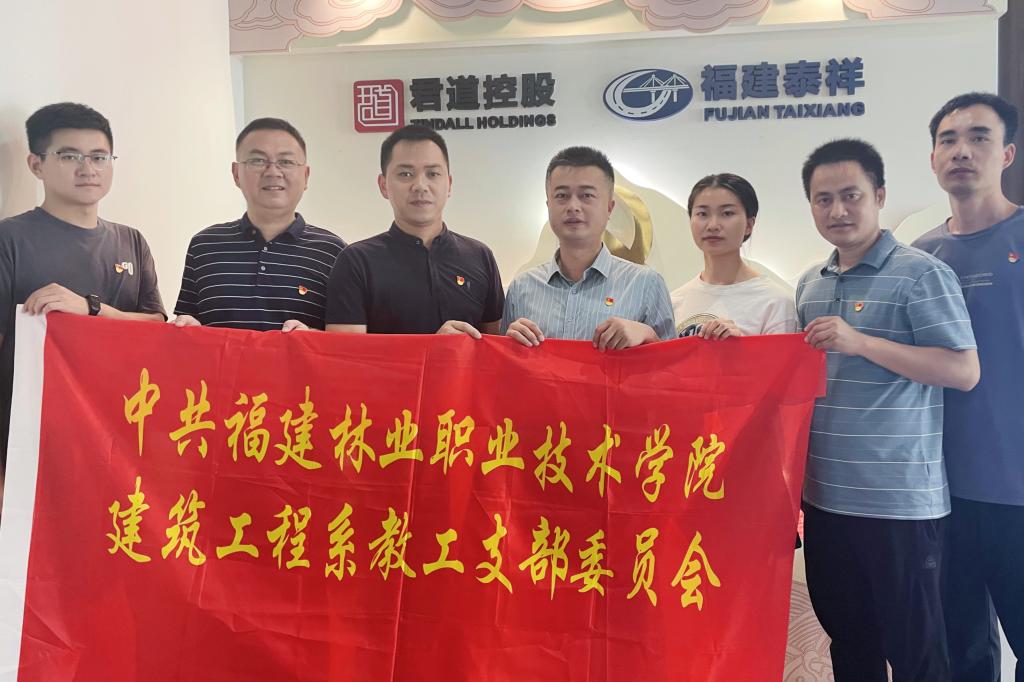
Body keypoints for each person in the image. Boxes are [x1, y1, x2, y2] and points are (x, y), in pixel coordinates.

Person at [795, 138, 979, 681]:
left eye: (851, 195)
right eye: (823, 199)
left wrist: (862, 343)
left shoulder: (921, 273)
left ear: (878, 196)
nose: (838, 210)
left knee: (917, 651)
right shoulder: (809, 284)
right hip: (826, 502)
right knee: (850, 644)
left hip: (900, 505)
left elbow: (963, 370)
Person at [0, 102, 166, 499]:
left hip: (119, 435)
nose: (87, 168)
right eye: (69, 156)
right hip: (31, 440)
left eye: (99, 156)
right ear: (36, 165)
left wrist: (93, 310)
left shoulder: (131, 241)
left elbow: (157, 329)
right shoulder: (10, 239)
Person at [912, 91, 1023, 682]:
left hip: (1019, 491)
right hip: (939, 493)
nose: (961, 151)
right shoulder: (920, 258)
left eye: (979, 137)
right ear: (932, 159)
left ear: (1006, 153)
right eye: (948, 140)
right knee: (960, 652)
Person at [325, 125, 503, 337]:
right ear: (383, 185)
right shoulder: (355, 262)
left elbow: (494, 344)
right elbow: (344, 353)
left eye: (433, 173)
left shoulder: (480, 256)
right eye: (405, 174)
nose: (420, 185)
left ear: (449, 184)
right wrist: (431, 349)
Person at [172, 118, 346, 331]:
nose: (273, 172)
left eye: (286, 161)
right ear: (236, 173)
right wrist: (187, 326)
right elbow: (188, 323)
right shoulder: (204, 246)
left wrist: (312, 336)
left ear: (305, 175)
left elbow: (344, 339)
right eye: (257, 160)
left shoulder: (335, 252)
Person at [502, 146, 673, 349]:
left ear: (609, 208)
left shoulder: (646, 284)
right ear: (548, 206)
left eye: (587, 195)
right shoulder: (521, 288)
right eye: (562, 195)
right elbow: (503, 364)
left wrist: (649, 336)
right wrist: (510, 345)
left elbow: (674, 364)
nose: (573, 206)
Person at [671, 173, 797, 339]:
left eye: (727, 213)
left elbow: (780, 357)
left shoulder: (775, 302)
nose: (713, 225)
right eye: (702, 214)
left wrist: (738, 347)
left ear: (749, 225)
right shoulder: (674, 301)